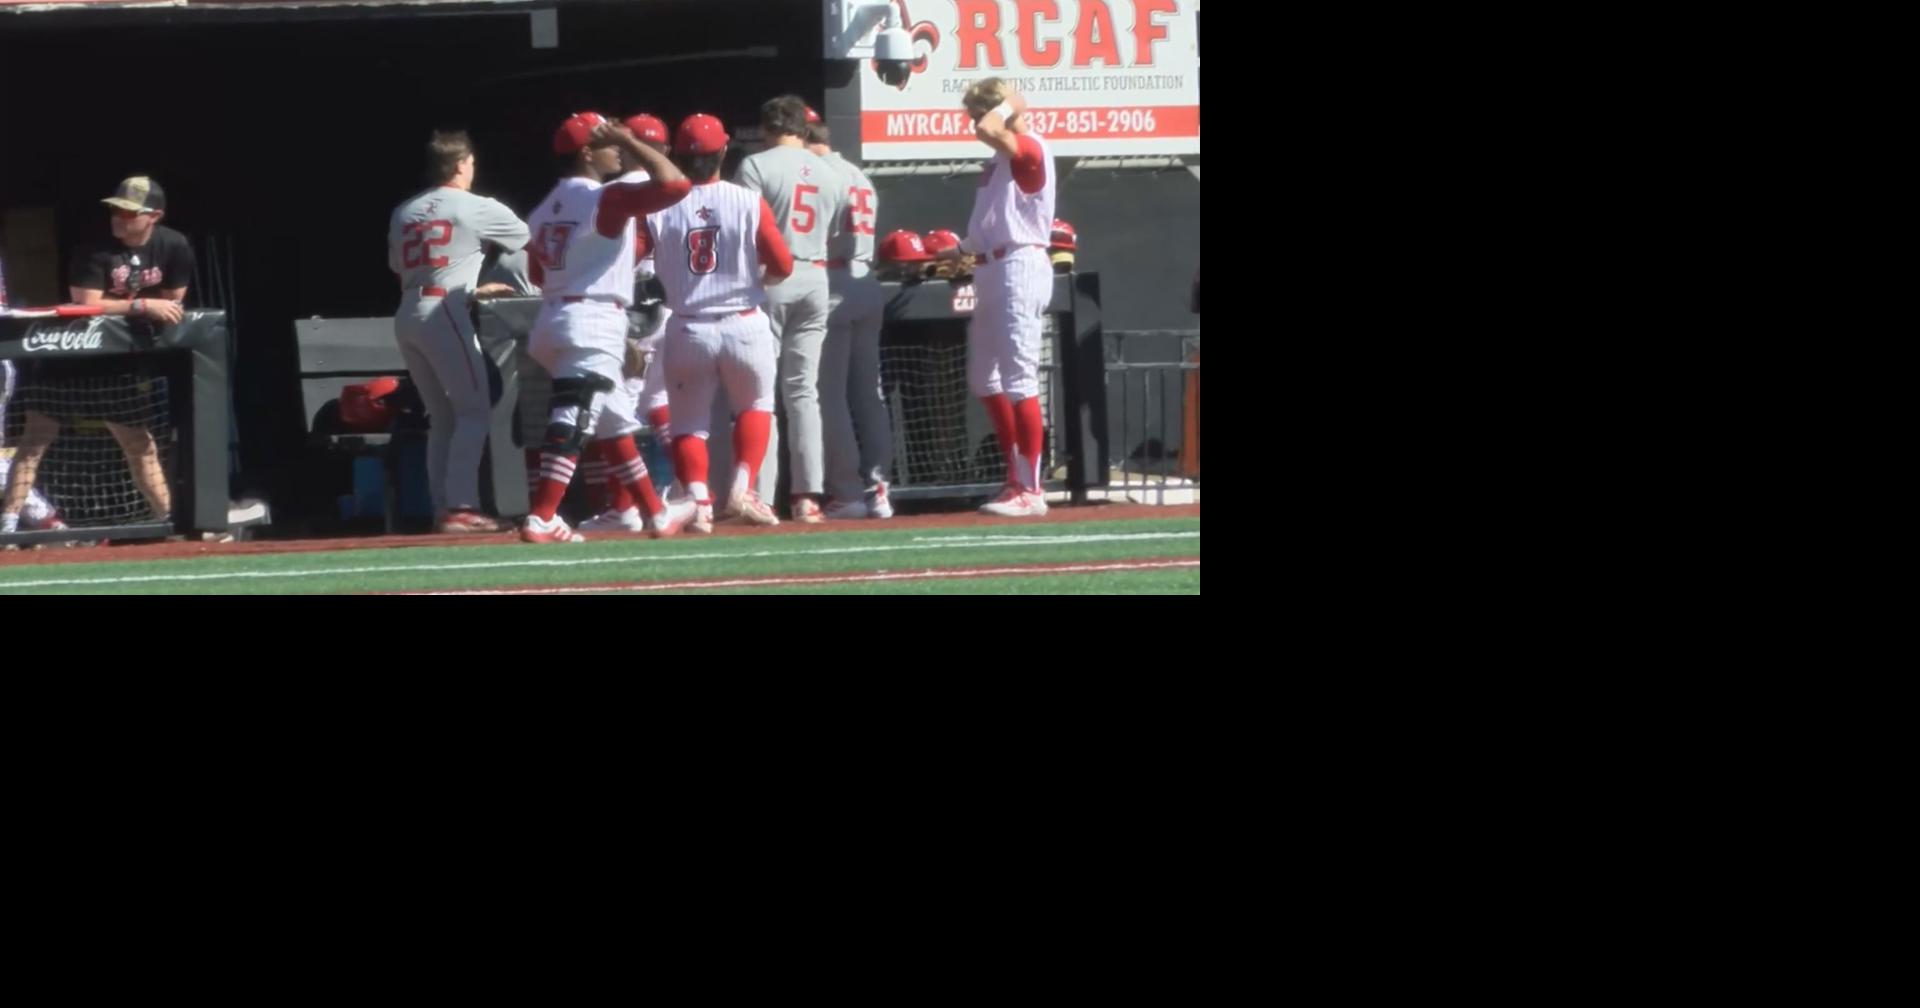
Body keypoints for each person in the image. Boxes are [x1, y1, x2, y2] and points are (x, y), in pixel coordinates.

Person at [518, 112, 693, 543]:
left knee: (615, 424)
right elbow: (676, 184)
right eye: (606, 141)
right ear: (586, 152)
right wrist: (633, 142)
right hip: (593, 317)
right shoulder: (604, 197)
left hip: (555, 314)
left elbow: (537, 275)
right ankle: (542, 515)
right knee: (574, 414)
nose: (616, 147)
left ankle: (655, 513)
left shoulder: (542, 209)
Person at [1, 176, 192, 536]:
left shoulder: (174, 245)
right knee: (34, 439)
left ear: (154, 216)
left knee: (139, 444)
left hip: (119, 362)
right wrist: (141, 304)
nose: (118, 218)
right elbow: (86, 303)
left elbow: (174, 301)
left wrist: (150, 308)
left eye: (128, 213)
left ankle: (169, 521)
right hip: (70, 352)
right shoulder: (94, 248)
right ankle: (8, 525)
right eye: (115, 210)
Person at [642, 112, 794, 533]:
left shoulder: (656, 207)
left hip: (688, 323)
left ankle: (698, 502)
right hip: (743, 319)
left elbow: (634, 261)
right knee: (755, 406)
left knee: (689, 423)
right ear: (723, 151)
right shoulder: (746, 199)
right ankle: (742, 487)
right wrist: (755, 280)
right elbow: (782, 264)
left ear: (675, 154)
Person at [387, 130, 531, 533]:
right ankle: (462, 506)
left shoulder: (404, 210)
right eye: (469, 162)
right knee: (474, 410)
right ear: (458, 164)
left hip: (409, 309)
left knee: (443, 417)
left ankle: (443, 508)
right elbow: (523, 238)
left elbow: (400, 267)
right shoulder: (474, 206)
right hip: (444, 309)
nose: (472, 167)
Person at [936, 80, 1057, 518]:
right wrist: (959, 250)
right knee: (984, 380)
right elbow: (990, 219)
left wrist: (1010, 104)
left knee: (1019, 379)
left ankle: (1031, 488)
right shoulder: (997, 158)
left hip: (1019, 264)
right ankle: (1014, 475)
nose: (973, 121)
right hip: (989, 265)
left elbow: (988, 128)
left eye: (976, 112)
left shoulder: (1028, 145)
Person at [733, 95, 847, 523]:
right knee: (803, 392)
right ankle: (807, 496)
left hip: (771, 278)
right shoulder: (832, 172)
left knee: (761, 392)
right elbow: (834, 230)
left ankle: (762, 494)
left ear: (766, 128)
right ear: (802, 127)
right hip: (816, 274)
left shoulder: (757, 165)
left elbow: (746, 230)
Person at [803, 112, 893, 520]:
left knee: (830, 395)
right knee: (867, 394)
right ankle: (879, 488)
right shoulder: (857, 172)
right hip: (866, 279)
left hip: (835, 281)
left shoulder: (815, 172)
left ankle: (846, 492)